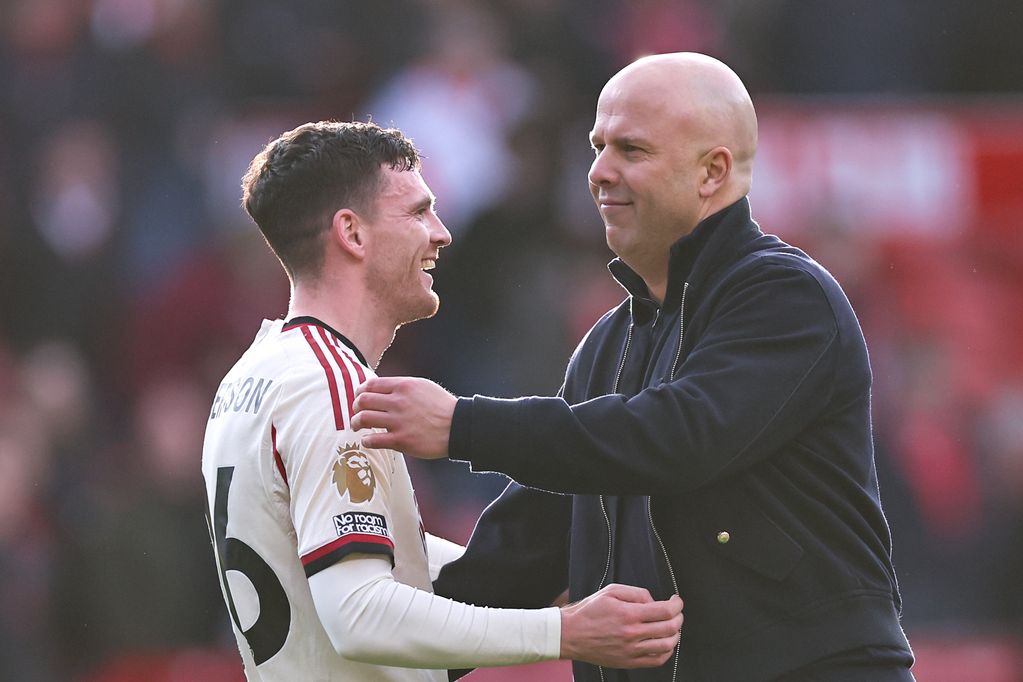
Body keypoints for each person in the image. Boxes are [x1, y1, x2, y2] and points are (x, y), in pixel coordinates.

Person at [351, 54, 916, 681]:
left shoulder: (785, 296)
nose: (599, 172)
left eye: (632, 150)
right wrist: (383, 656)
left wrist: (465, 426)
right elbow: (523, 548)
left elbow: (679, 437)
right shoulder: (607, 345)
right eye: (597, 146)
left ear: (713, 171)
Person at [200, 120, 682, 681]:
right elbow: (358, 612)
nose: (442, 232)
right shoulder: (329, 384)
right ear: (352, 234)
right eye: (417, 212)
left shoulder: (255, 373)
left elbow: (381, 566)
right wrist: (566, 631)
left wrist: (563, 580)